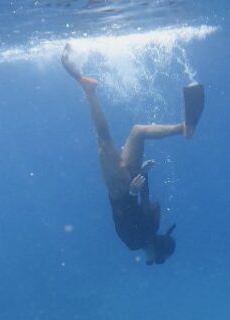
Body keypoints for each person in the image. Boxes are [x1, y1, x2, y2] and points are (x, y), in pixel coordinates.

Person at [61, 43, 204, 265]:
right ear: (155, 252)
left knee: (139, 131)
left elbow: (142, 202)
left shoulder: (154, 227)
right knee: (103, 138)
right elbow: (122, 217)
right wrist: (130, 191)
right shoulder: (134, 243)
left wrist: (143, 176)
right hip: (119, 189)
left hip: (130, 183)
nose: (148, 260)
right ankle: (88, 90)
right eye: (153, 260)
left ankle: (183, 128)